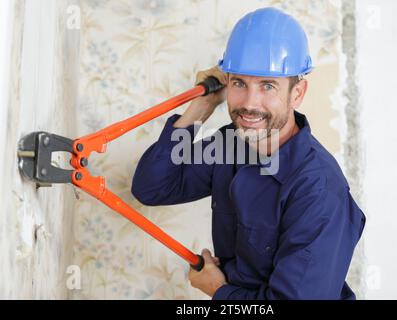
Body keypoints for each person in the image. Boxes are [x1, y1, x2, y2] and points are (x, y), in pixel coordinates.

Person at [131, 7, 366, 300]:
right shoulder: (231, 145)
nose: (250, 103)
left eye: (268, 86)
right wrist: (201, 108)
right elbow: (152, 187)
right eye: (239, 83)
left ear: (297, 93)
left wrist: (218, 290)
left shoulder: (318, 189)